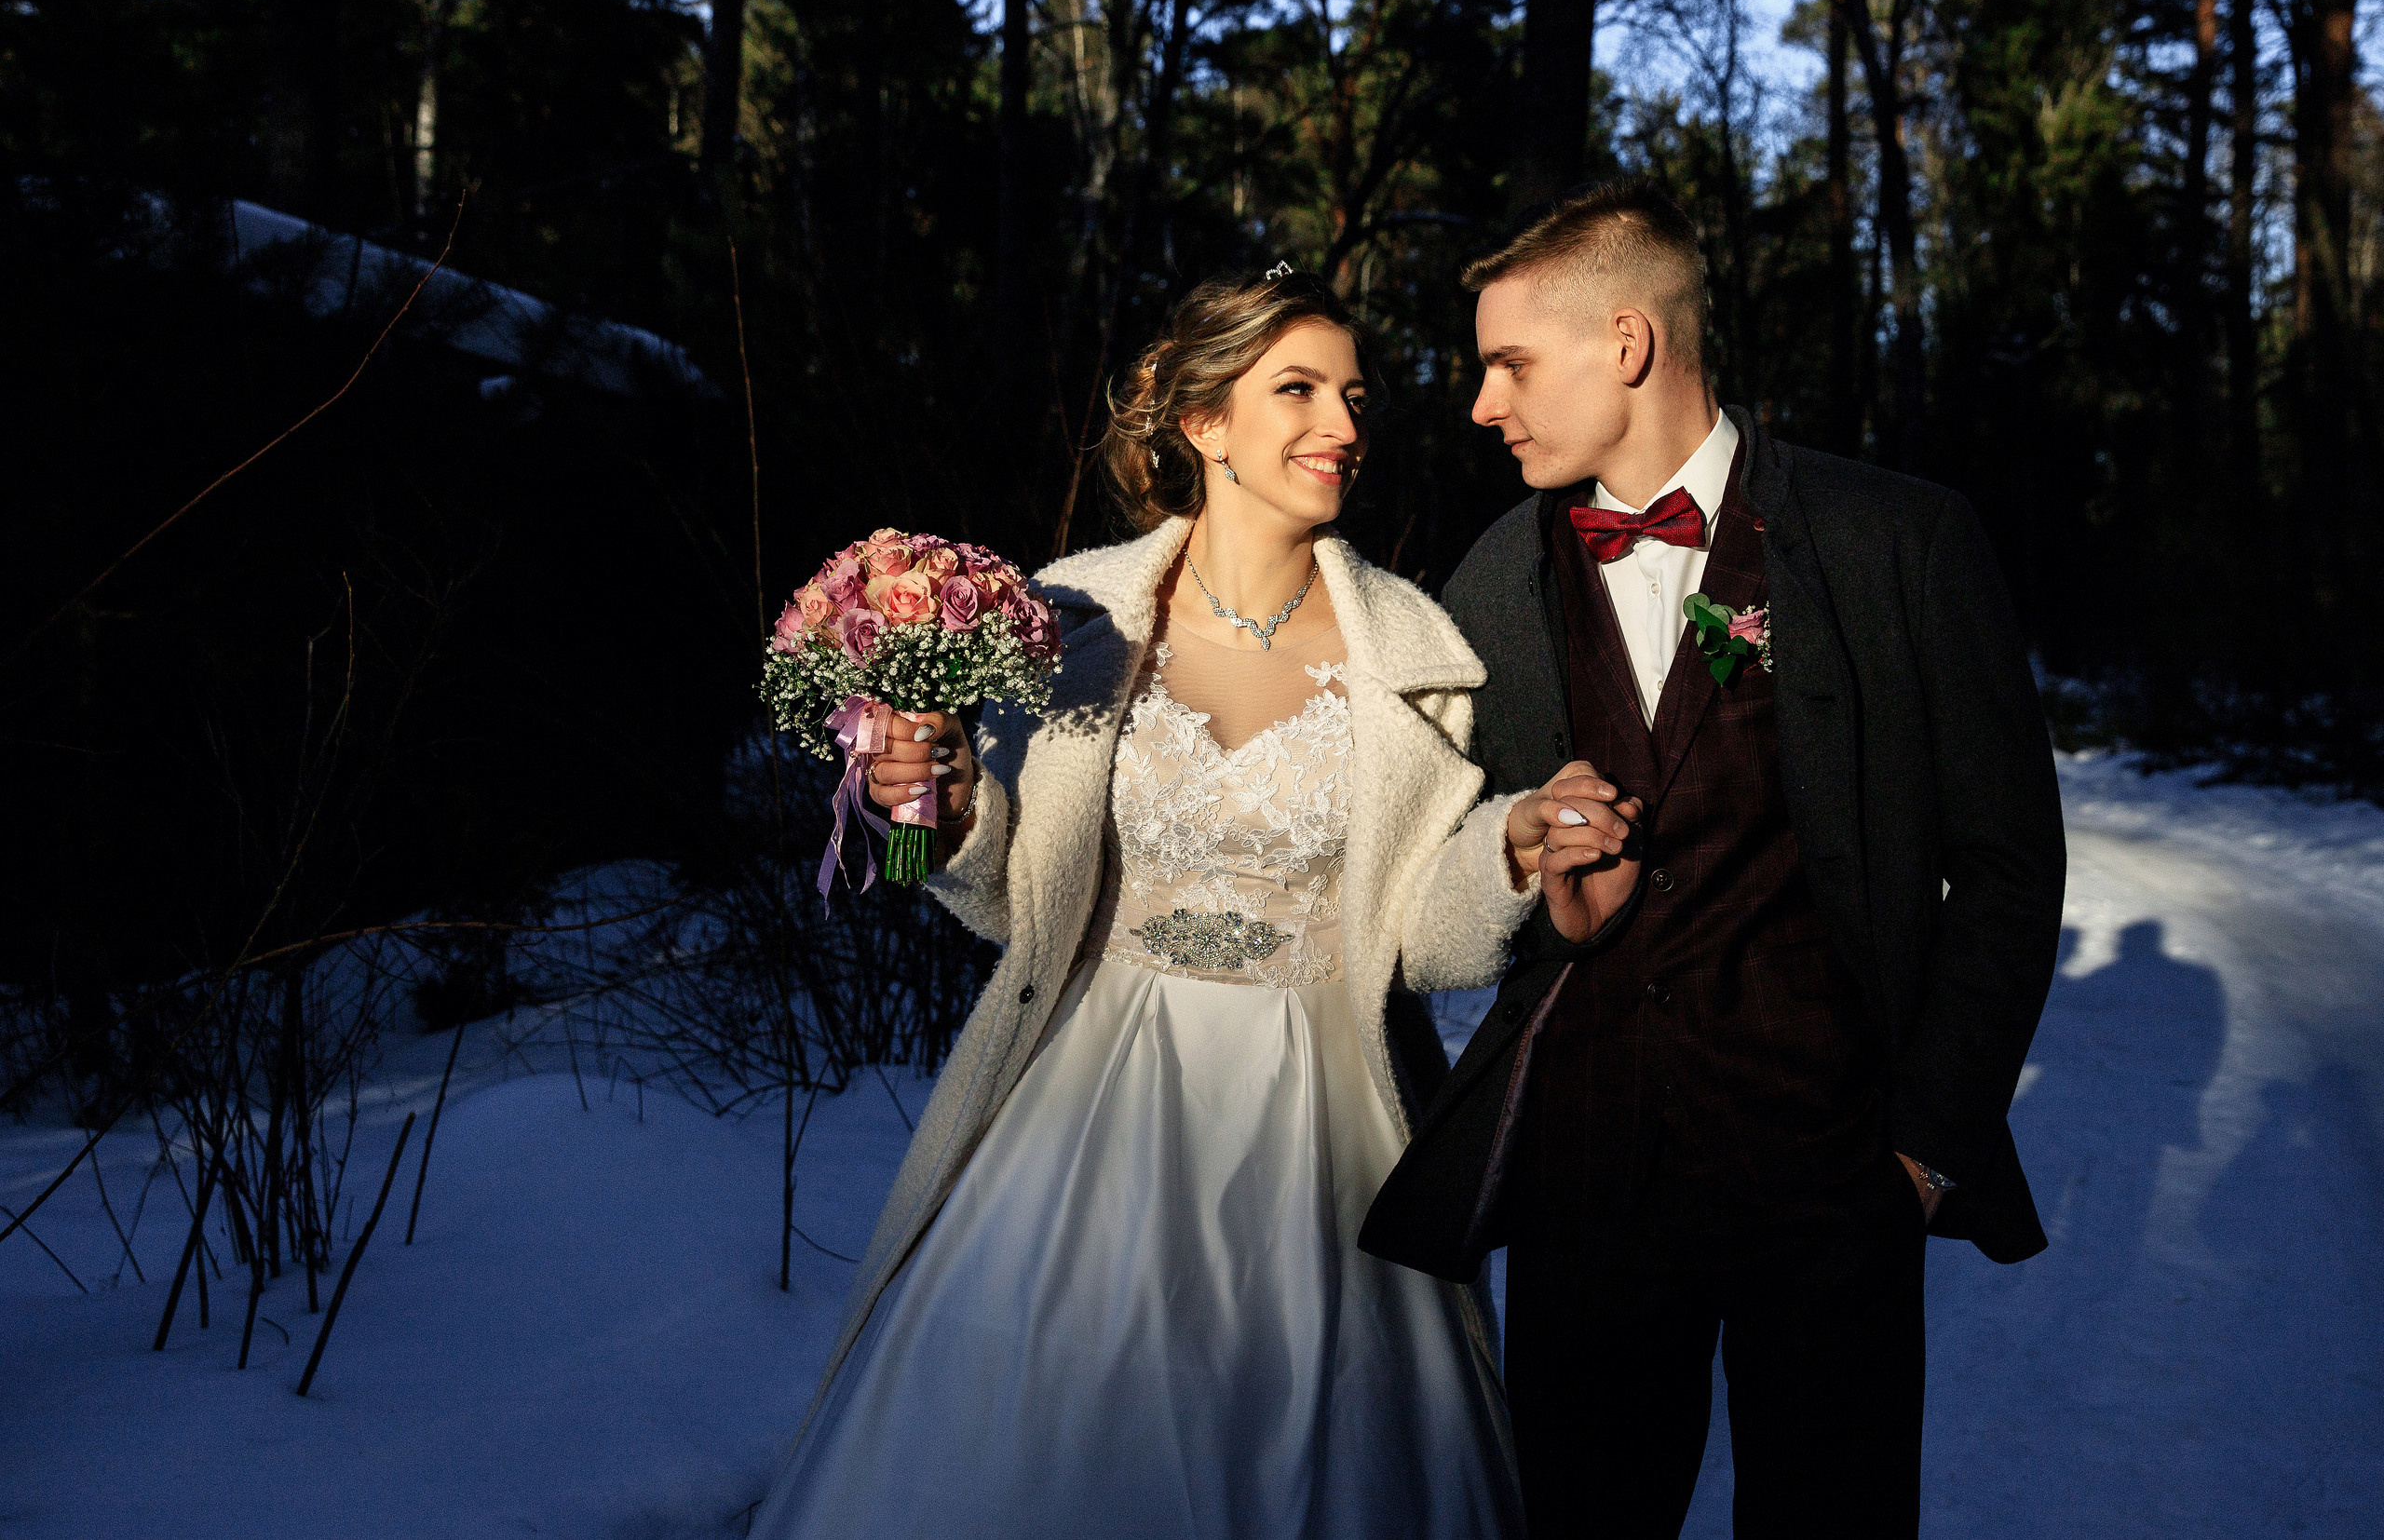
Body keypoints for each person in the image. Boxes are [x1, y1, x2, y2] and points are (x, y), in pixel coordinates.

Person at [748, 266, 1632, 1538]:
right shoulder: (1073, 618)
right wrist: (930, 821)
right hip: (1084, 1108)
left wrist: (1506, 843)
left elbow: (1422, 944)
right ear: (1204, 422)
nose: (1344, 423)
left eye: (1355, 395)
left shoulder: (1416, 655)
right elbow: (1003, 899)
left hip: (1326, 1129)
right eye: (1300, 390)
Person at [1360, 181, 2067, 1537]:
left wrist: (1922, 1147)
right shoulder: (1489, 584)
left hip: (1836, 1170)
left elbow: (2005, 869)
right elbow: (1425, 879)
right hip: (1589, 1183)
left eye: (1510, 364)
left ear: (1626, 342)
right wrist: (1515, 864)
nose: (1481, 407)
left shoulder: (1895, 541)